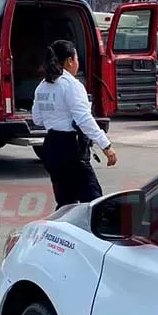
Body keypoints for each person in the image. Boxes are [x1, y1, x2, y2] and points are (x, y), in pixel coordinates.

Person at [31, 39, 118, 207]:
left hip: (51, 147)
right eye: (76, 58)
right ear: (69, 61)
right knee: (93, 204)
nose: (78, 63)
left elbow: (37, 119)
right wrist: (106, 146)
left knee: (65, 203)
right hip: (72, 149)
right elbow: (84, 119)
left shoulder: (42, 86)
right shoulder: (71, 85)